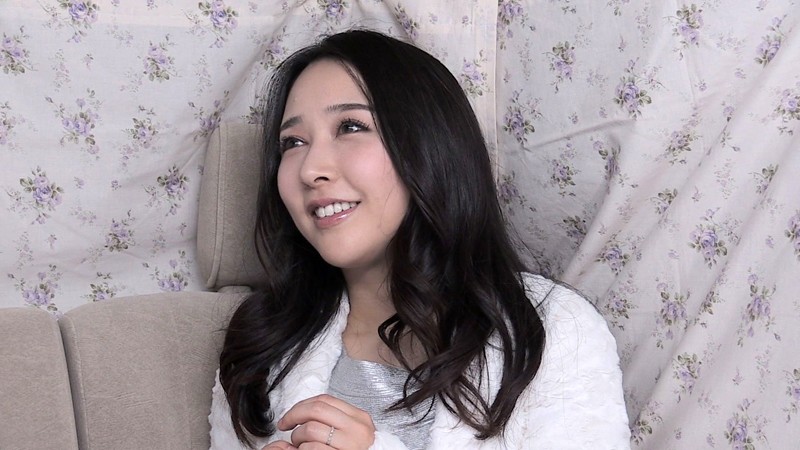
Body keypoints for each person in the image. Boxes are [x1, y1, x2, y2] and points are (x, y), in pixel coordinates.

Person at [208, 29, 630, 450]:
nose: (310, 169)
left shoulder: (549, 328)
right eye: (293, 142)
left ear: (430, 147)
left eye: (351, 126)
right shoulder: (262, 347)